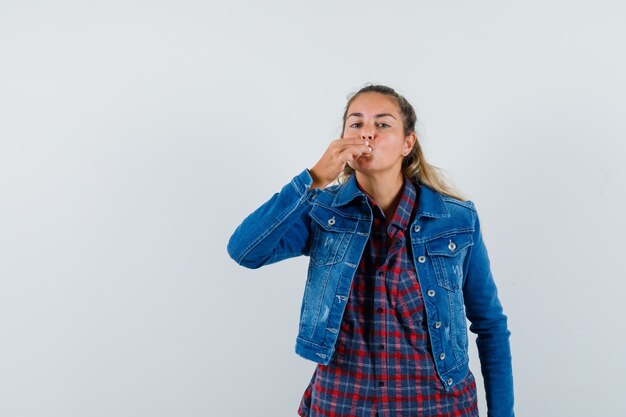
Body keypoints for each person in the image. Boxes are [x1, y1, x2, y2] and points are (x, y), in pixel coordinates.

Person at [227, 84, 514, 417]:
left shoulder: (457, 219)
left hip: (437, 405)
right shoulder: (322, 211)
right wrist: (314, 178)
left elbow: (490, 324)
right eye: (356, 124)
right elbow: (244, 251)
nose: (367, 134)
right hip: (342, 403)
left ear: (409, 142)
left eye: (382, 124)